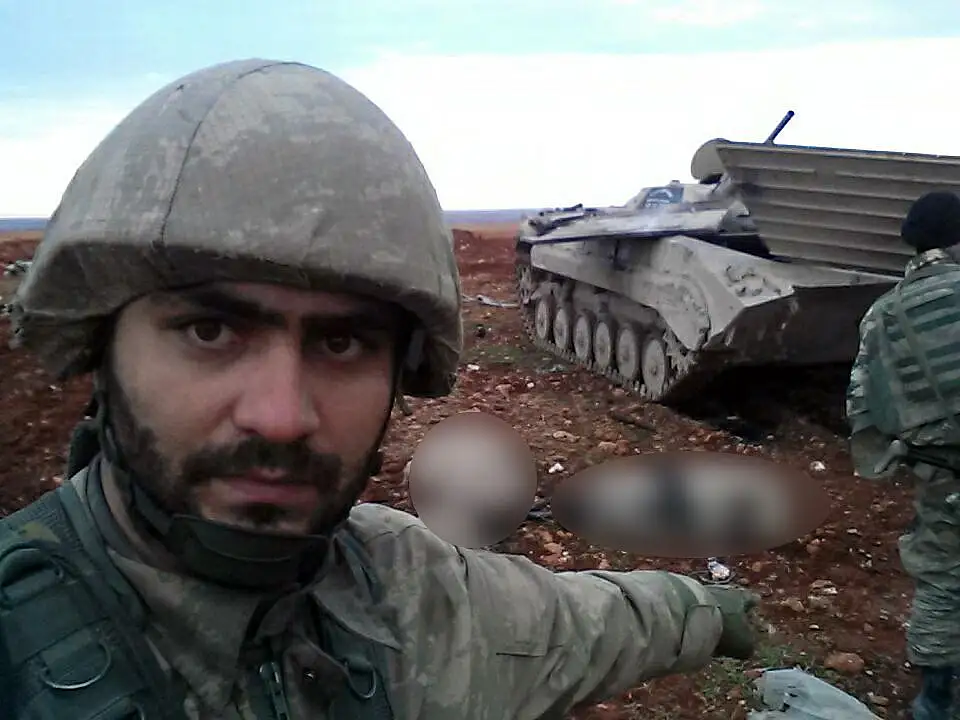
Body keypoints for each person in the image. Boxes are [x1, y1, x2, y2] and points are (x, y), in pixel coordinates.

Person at [2, 58, 760, 720]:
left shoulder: (411, 591)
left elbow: (581, 623)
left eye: (342, 343)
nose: (281, 417)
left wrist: (710, 610)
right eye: (210, 331)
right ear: (101, 348)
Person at [846, 190, 960, 720]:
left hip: (944, 475)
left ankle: (934, 701)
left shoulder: (883, 314)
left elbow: (863, 401)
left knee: (942, 578)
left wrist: (899, 457)